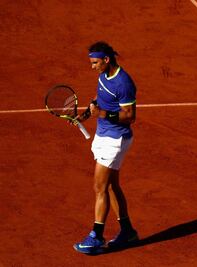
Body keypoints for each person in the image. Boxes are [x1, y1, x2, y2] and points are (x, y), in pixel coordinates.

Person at [73, 41, 138, 254]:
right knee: (110, 186)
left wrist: (103, 114)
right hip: (103, 136)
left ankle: (96, 236)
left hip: (115, 140)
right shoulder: (104, 76)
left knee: (99, 187)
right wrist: (84, 113)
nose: (92, 66)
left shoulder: (123, 82)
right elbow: (98, 97)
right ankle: (127, 231)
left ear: (106, 60)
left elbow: (130, 116)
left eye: (95, 62)